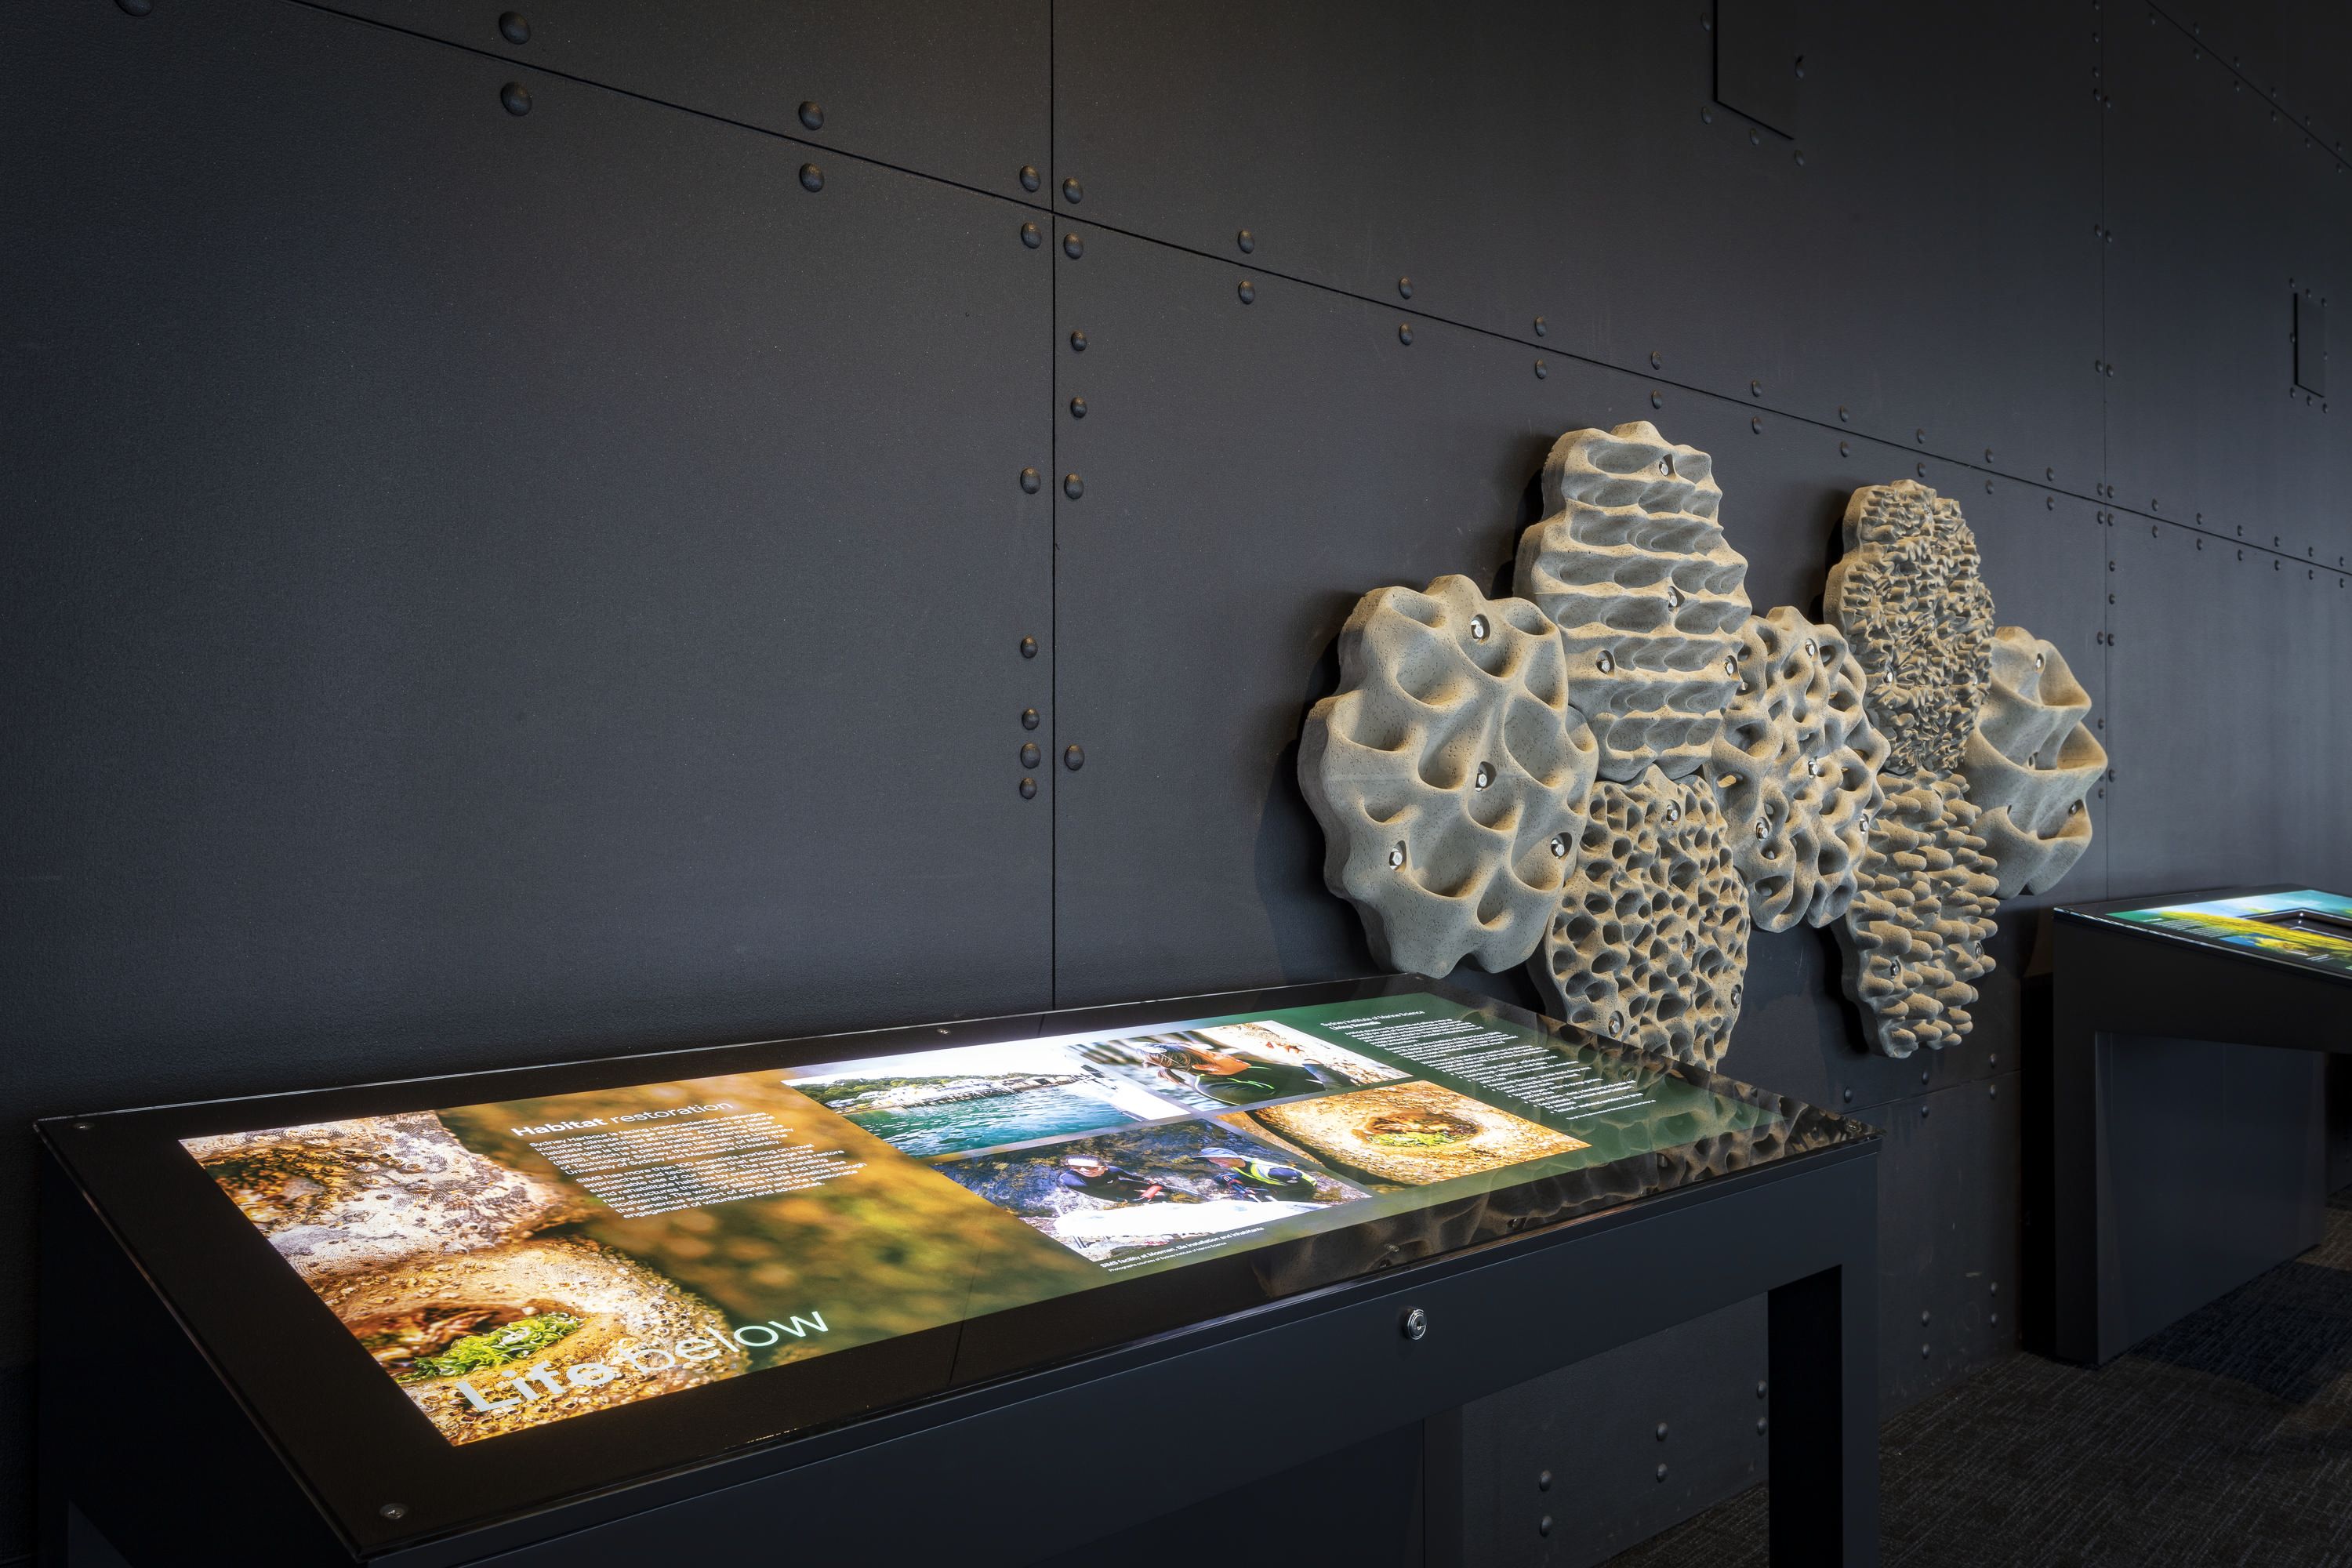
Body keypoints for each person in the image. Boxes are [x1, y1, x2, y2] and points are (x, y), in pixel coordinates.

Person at [1146, 1042, 1346, 1106]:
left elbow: (1300, 1074)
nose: (1223, 1054)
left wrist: (1295, 1057)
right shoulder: (1219, 1089)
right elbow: (1332, 1097)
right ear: (1203, 1067)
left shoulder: (1233, 1064)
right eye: (1212, 1054)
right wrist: (1309, 1061)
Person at [1197, 1147, 1321, 1202]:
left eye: (1220, 1159)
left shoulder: (1270, 1172)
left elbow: (1306, 1186)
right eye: (1212, 1160)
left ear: (1233, 1157)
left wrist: (1266, 1191)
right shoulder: (1238, 1164)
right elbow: (1247, 1174)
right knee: (1221, 1178)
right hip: (1265, 1180)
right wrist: (1240, 1181)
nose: (1217, 1163)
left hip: (1300, 1185)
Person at [1057, 1152, 1166, 1203]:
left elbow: (1131, 1176)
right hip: (1118, 1193)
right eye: (1076, 1167)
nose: (1084, 1170)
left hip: (1124, 1184)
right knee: (1159, 1199)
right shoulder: (1072, 1180)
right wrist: (1123, 1200)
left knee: (1163, 1188)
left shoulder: (1114, 1170)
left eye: (1091, 1168)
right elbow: (1097, 1194)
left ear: (1104, 1168)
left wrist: (1147, 1180)